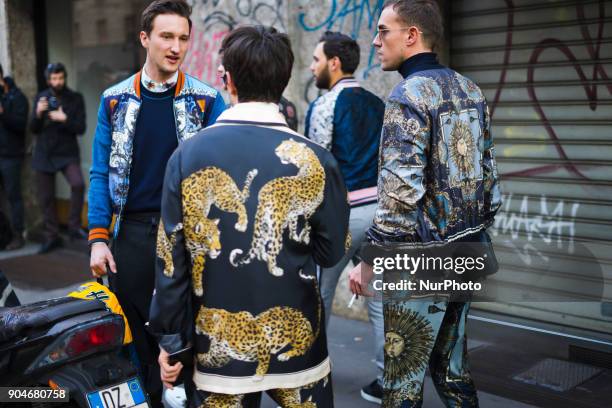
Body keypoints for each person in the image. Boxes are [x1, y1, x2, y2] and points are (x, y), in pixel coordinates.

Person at [149, 25, 350, 408]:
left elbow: (170, 261)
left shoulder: (187, 156)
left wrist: (172, 343)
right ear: (285, 79)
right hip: (300, 349)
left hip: (217, 354)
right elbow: (331, 252)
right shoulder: (317, 159)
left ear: (227, 80)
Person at [349, 1, 502, 406]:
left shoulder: (407, 95)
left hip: (421, 261)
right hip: (469, 250)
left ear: (411, 35)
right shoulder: (470, 89)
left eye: (384, 31)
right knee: (453, 372)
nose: (376, 41)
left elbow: (399, 199)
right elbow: (490, 180)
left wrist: (368, 262)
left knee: (402, 385)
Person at [87, 0, 226, 405]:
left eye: (183, 38)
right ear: (145, 38)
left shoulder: (206, 100)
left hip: (186, 237)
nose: (176, 46)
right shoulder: (114, 100)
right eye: (167, 36)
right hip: (130, 235)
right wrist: (98, 238)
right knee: (138, 344)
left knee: (188, 342)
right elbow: (100, 173)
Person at [305, 31, 386, 404]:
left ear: (334, 63)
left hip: (344, 216)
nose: (312, 66)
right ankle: (388, 380)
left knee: (316, 295)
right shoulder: (379, 102)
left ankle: (310, 375)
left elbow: (316, 170)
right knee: (379, 298)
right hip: (381, 214)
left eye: (317, 60)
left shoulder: (324, 105)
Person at [30, 63, 86, 253]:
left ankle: (74, 227)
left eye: (60, 78)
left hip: (67, 152)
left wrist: (65, 119)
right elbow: (33, 128)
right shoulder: (42, 97)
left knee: (78, 184)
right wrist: (38, 113)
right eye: (54, 79)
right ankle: (52, 235)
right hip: (44, 152)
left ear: (65, 77)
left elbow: (81, 128)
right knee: (46, 197)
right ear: (48, 80)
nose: (58, 82)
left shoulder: (76, 98)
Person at [0, 64, 28, 250]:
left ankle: (18, 235)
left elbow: (20, 125)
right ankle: (4, 235)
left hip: (10, 156)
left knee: (13, 197)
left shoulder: (17, 97)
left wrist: (3, 113)